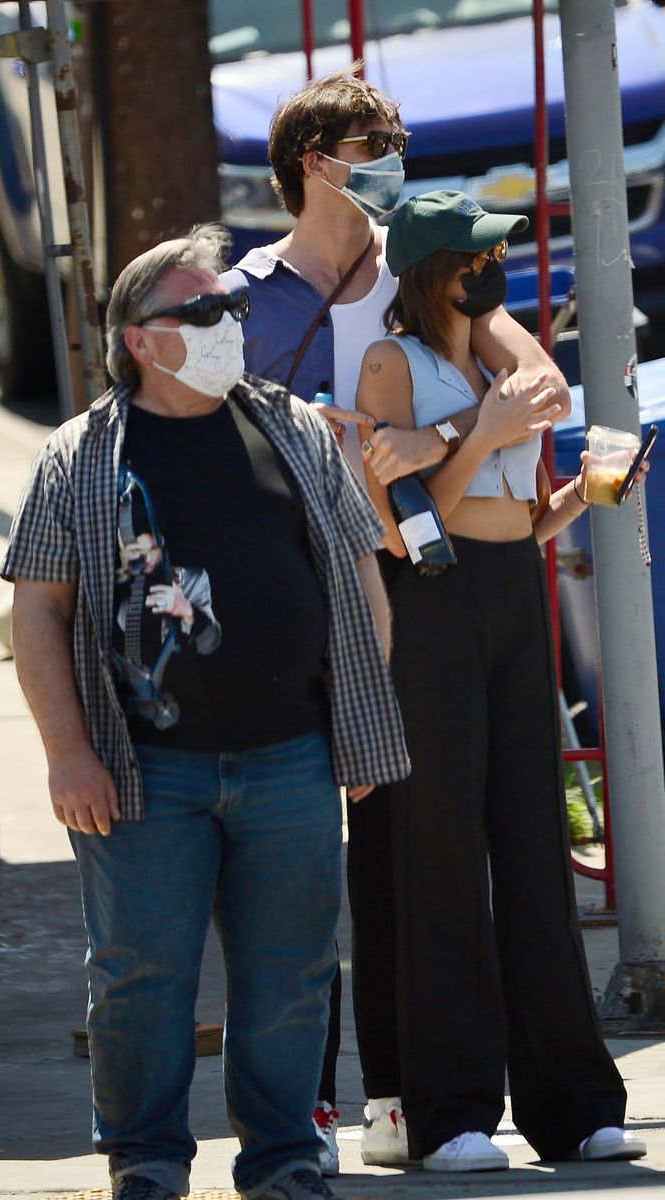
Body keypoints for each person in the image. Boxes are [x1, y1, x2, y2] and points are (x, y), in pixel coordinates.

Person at [0, 226, 410, 1200]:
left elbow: (360, 579)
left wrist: (356, 720)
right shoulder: (80, 458)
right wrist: (67, 754)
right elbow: (39, 613)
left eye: (236, 307)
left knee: (292, 976)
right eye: (208, 311)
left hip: (291, 759)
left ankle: (281, 1160)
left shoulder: (296, 431)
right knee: (142, 983)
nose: (234, 324)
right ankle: (144, 1159)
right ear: (141, 339)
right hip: (143, 770)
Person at [221, 65, 571, 1173]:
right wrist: (340, 434)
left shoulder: (423, 257)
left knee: (400, 833)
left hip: (401, 575)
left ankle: (399, 1098)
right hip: (287, 581)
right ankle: (298, 1113)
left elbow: (539, 384)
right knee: (288, 852)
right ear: (314, 163)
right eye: (373, 142)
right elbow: (215, 429)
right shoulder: (245, 289)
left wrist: (427, 437)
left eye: (394, 139)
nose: (393, 157)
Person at [356, 188, 648, 1173]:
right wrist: (471, 433)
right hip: (432, 604)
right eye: (479, 257)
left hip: (513, 592)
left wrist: (583, 493)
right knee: (440, 857)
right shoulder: (391, 362)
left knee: (537, 844)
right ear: (433, 267)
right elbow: (403, 522)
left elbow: (541, 433)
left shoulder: (495, 345)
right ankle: (451, 1114)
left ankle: (572, 1101)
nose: (497, 270)